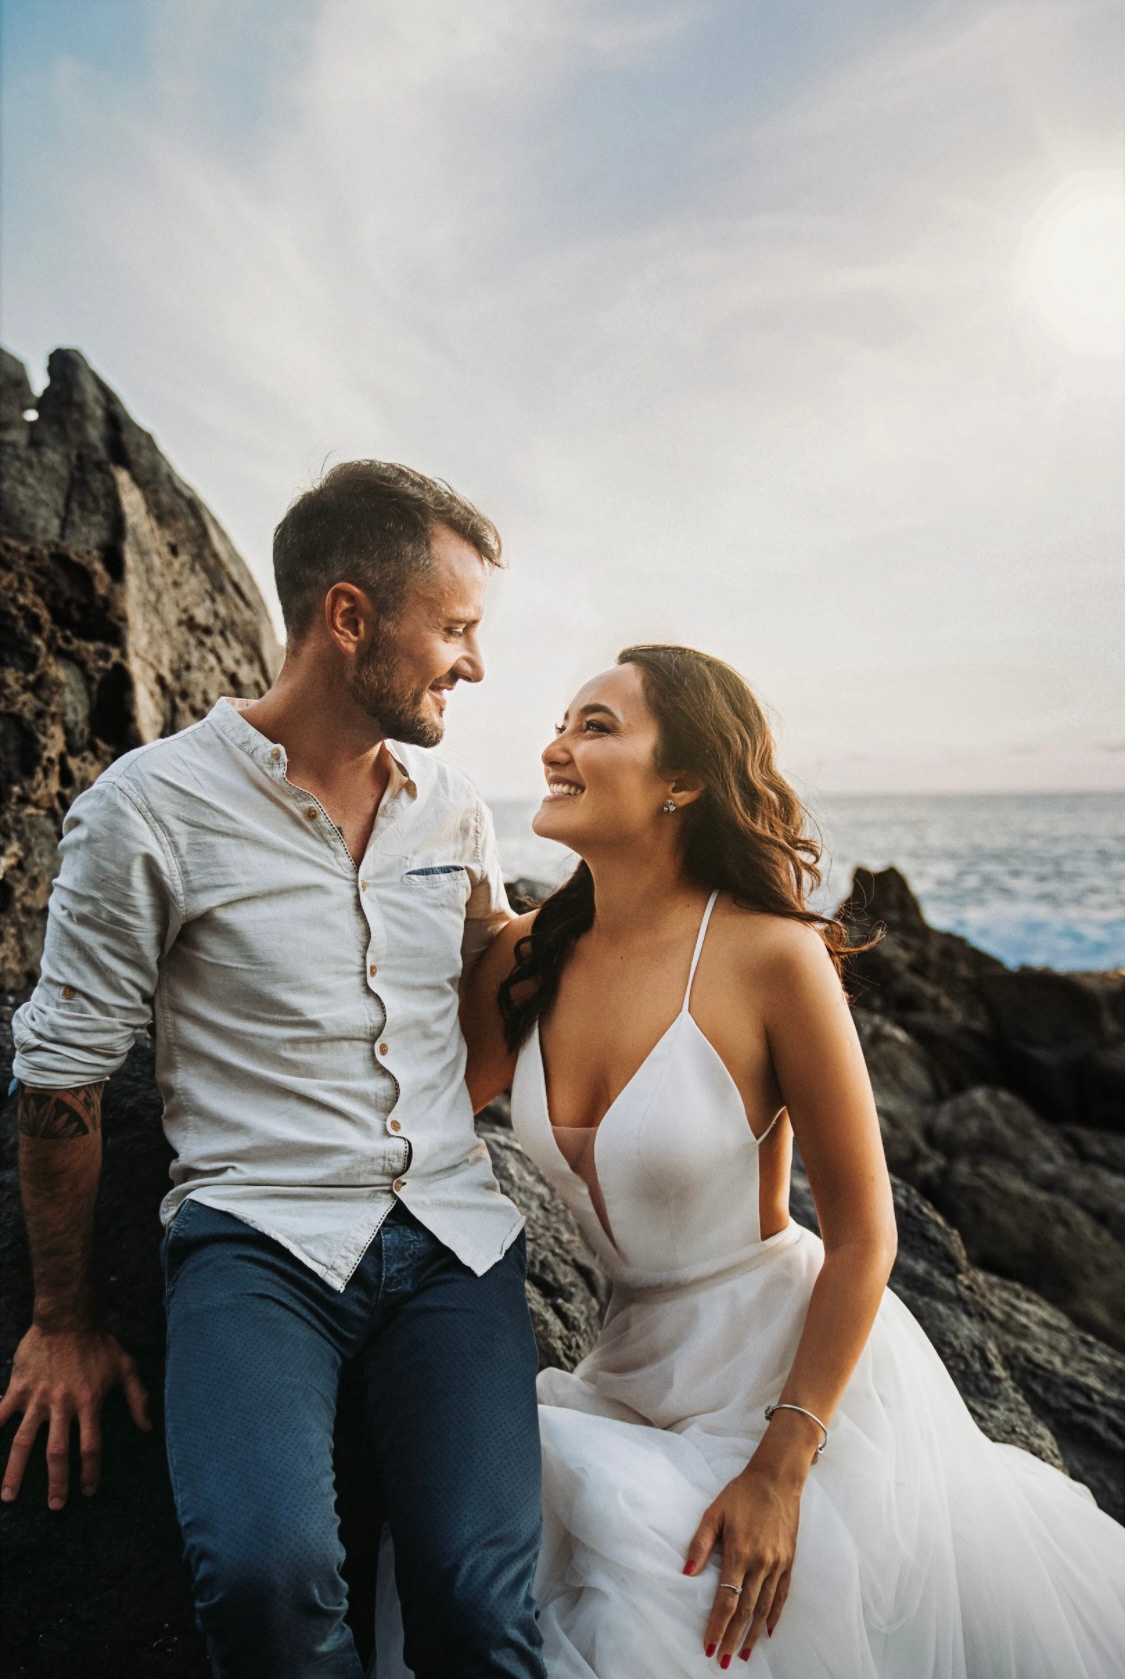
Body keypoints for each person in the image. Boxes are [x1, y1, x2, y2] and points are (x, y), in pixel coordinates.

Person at [462, 643, 1125, 1678]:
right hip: (628, 1368)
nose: (556, 745)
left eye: (597, 726)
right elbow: (419, 1096)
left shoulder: (774, 954)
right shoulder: (529, 951)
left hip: (786, 1377)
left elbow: (866, 1235)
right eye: (561, 722)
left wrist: (782, 1463)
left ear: (682, 779)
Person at [1, 462, 546, 1679]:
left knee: (477, 1592)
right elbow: (63, 1074)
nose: (474, 663)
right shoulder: (149, 807)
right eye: (454, 628)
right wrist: (61, 1317)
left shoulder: (454, 807)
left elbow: (494, 978)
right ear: (349, 617)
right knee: (262, 1573)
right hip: (256, 1241)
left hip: (454, 1236)